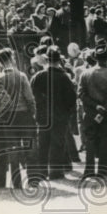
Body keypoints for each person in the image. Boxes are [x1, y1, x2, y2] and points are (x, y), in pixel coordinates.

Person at [30, 48, 77, 180]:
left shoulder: (38, 76)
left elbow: (32, 96)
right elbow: (72, 98)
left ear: (46, 60)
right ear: (59, 61)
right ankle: (56, 172)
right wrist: (67, 112)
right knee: (58, 143)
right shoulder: (64, 77)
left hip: (43, 115)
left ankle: (42, 172)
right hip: (60, 115)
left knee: (43, 143)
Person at [77, 43, 107, 179]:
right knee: (105, 141)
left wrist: (95, 106)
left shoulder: (85, 73)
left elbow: (81, 94)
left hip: (90, 113)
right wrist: (104, 107)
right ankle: (103, 170)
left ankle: (89, 170)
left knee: (90, 141)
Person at [0, 47, 36, 190]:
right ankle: (33, 180)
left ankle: (17, 182)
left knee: (13, 150)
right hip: (24, 115)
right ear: (11, 59)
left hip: (8, 118)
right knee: (30, 148)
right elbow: (30, 98)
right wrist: (33, 113)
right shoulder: (21, 76)